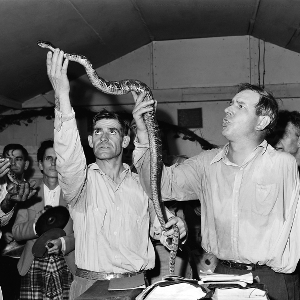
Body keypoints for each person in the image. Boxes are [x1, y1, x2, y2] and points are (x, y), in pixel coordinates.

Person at [132, 83, 300, 300]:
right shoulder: (206, 164)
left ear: (263, 121)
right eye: (230, 103)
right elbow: (159, 186)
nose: (228, 109)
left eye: (240, 106)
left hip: (272, 279)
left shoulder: (282, 165)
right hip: (223, 276)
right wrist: (145, 136)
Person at [46, 48, 187, 299]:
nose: (104, 137)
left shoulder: (142, 184)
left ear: (125, 142)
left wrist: (173, 228)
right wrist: (62, 96)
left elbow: (161, 224)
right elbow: (67, 159)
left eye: (112, 131)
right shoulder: (79, 184)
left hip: (135, 287)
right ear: (89, 140)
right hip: (89, 287)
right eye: (98, 131)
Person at [12, 140, 76, 300]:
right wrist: (35, 226)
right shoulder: (28, 191)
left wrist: (64, 242)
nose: (54, 163)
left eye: (58, 159)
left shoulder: (74, 194)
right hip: (34, 263)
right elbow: (16, 232)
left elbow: (86, 233)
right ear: (40, 164)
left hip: (66, 263)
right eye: (49, 158)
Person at [0, 144, 36, 300]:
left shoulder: (35, 189)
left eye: (18, 159)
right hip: (4, 260)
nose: (12, 163)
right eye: (8, 159)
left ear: (26, 164)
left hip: (30, 258)